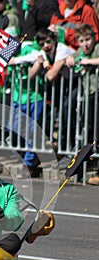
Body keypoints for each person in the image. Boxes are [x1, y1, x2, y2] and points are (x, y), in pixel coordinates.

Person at [29, 28, 76, 151]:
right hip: (62, 86)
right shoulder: (44, 51)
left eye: (48, 42)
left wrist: (45, 66)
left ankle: (68, 148)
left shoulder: (62, 49)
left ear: (54, 40)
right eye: (42, 44)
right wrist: (39, 63)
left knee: (67, 112)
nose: (46, 46)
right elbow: (31, 75)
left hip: (76, 83)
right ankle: (57, 146)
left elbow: (51, 75)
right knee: (54, 113)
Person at [7, 28, 44, 178]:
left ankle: (29, 162)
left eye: (13, 39)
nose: (11, 42)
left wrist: (16, 61)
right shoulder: (6, 52)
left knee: (31, 130)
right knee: (13, 129)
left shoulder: (28, 47)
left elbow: (37, 56)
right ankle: (23, 158)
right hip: (17, 97)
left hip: (34, 96)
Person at [65, 24, 99, 184]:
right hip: (89, 95)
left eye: (88, 39)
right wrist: (70, 59)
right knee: (89, 127)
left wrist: (88, 61)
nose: (86, 44)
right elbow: (70, 58)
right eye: (82, 41)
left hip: (97, 93)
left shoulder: (97, 48)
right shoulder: (80, 52)